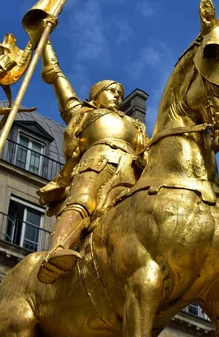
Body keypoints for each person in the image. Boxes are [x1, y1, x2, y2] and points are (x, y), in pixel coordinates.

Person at [36, 39, 150, 284]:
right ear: (95, 95)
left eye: (120, 94)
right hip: (96, 161)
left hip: (130, 169)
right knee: (83, 200)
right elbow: (56, 76)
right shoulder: (83, 114)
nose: (117, 97)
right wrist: (43, 44)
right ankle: (57, 252)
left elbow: (150, 150)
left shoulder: (135, 125)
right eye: (111, 91)